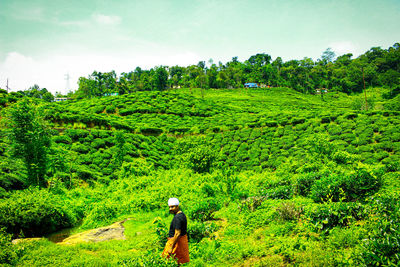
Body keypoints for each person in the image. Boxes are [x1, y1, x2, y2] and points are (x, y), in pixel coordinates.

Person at [162, 197, 190, 264]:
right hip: (180, 241)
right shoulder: (182, 215)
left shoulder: (178, 218)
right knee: (178, 261)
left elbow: (177, 233)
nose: (170, 209)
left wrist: (171, 246)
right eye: (169, 207)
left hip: (176, 242)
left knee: (168, 260)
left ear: (177, 206)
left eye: (172, 207)